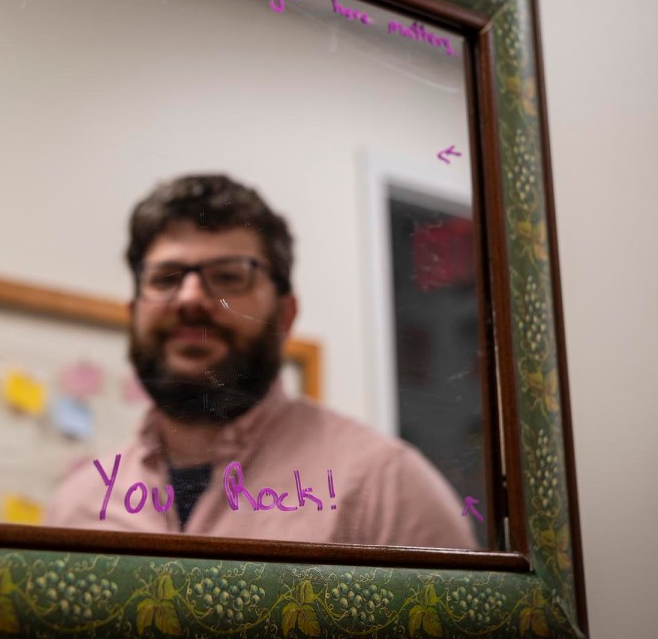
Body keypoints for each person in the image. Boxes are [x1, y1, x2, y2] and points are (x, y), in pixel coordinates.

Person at [46, 174, 476, 548]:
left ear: (285, 315)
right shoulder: (76, 505)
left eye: (230, 276)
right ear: (133, 312)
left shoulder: (386, 490)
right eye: (165, 279)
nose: (191, 298)